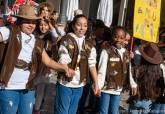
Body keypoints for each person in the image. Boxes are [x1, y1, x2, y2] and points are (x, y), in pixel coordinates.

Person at [0, 3, 74, 114]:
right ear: (20, 21)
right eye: (27, 21)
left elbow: (48, 61)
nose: (31, 25)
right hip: (8, 87)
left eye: (34, 22)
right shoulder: (9, 31)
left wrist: (64, 68)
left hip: (28, 86)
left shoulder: (37, 40)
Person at [54, 14, 100, 114]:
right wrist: (66, 70)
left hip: (80, 84)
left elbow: (92, 65)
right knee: (62, 111)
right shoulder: (66, 39)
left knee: (73, 111)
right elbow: (63, 57)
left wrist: (96, 84)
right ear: (74, 25)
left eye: (85, 25)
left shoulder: (89, 44)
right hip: (65, 82)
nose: (82, 28)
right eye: (79, 25)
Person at [97, 26, 130, 114]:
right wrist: (98, 86)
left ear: (124, 39)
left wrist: (132, 84)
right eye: (116, 37)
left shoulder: (126, 53)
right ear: (112, 36)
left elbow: (128, 70)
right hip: (106, 88)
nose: (118, 39)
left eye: (121, 38)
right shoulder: (106, 51)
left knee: (114, 112)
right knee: (103, 111)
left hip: (118, 89)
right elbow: (101, 70)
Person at [128, 42, 165, 114]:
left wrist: (131, 60)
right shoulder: (159, 71)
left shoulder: (138, 69)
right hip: (148, 102)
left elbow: (130, 75)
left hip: (136, 99)